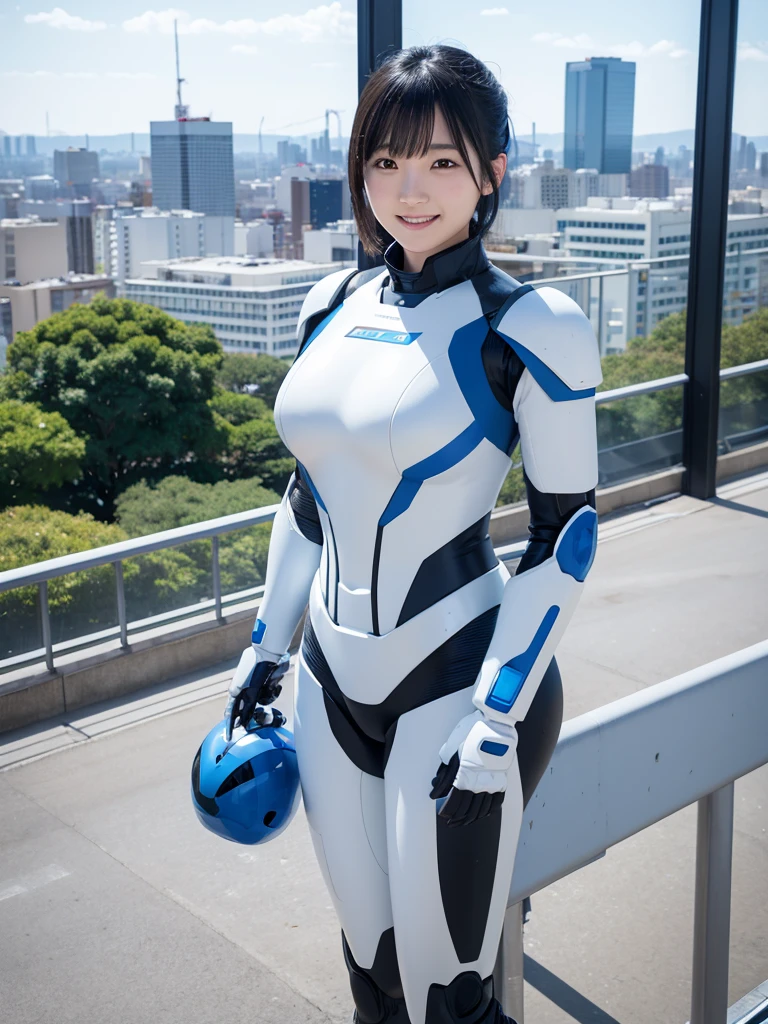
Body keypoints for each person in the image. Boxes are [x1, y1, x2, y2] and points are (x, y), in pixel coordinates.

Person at [225, 44, 602, 1024]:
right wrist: (266, 649)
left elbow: (566, 538)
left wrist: (498, 714)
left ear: (493, 172)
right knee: (373, 973)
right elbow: (306, 502)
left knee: (451, 999)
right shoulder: (330, 305)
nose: (411, 187)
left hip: (458, 684)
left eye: (441, 160)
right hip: (327, 684)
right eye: (387, 161)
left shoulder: (528, 325)